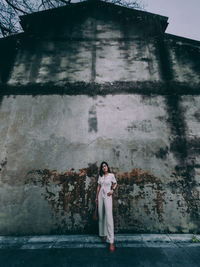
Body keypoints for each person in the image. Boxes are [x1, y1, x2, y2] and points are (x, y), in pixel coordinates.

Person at [95, 161, 117, 252]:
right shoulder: (100, 176)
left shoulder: (111, 175)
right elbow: (98, 187)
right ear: (102, 168)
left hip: (108, 195)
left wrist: (112, 190)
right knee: (101, 215)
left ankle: (111, 241)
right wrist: (96, 197)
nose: (104, 168)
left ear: (107, 167)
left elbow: (115, 183)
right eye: (103, 167)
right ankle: (103, 234)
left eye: (105, 166)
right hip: (100, 196)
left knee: (109, 217)